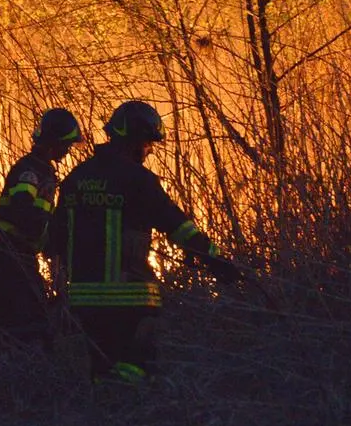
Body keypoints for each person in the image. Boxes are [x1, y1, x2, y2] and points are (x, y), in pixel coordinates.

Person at [47, 100, 239, 383]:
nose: (149, 151)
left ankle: (106, 417)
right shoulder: (137, 179)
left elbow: (54, 239)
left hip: (84, 299)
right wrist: (214, 257)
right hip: (129, 297)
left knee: (102, 368)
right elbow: (176, 225)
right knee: (137, 365)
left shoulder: (76, 179)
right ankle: (131, 412)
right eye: (148, 143)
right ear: (135, 139)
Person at [0, 108, 83, 344]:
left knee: (33, 317)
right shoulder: (30, 172)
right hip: (8, 255)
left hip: (20, 255)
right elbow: (22, 211)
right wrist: (47, 236)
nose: (67, 151)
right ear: (54, 143)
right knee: (27, 324)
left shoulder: (41, 169)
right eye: (66, 145)